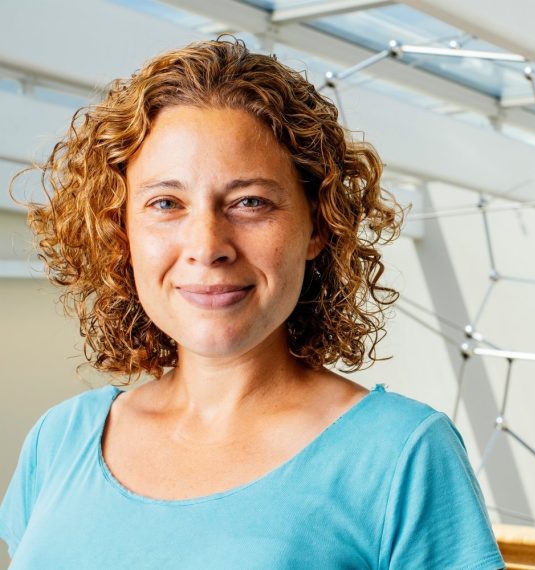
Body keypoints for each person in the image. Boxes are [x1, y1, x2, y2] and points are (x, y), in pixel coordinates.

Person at [0, 38, 505, 569]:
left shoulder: (402, 454)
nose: (207, 246)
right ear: (120, 231)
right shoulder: (60, 439)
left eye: (250, 202)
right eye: (166, 203)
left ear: (318, 226)